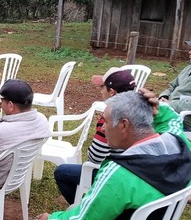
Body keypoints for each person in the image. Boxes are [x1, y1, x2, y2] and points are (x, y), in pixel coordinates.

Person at [9, 90, 191, 220]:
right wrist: (158, 109)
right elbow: (174, 122)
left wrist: (51, 218)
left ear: (123, 125)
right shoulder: (180, 149)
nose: (103, 128)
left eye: (105, 121)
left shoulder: (121, 172)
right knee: (74, 207)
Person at [54, 67, 137, 204]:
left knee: (62, 172)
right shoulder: (140, 110)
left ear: (112, 92)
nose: (100, 91)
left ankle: (82, 206)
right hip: (133, 172)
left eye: (102, 87)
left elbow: (95, 157)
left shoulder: (110, 118)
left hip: (114, 173)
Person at [158, 35, 191, 206]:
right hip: (167, 111)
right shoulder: (189, 68)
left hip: (183, 119)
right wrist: (164, 96)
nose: (190, 52)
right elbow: (171, 86)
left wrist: (172, 104)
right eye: (190, 48)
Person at [0, 79, 49, 188]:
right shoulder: (42, 120)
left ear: (11, 105)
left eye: (2, 100)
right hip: (16, 176)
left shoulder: (2, 131)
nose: (0, 103)